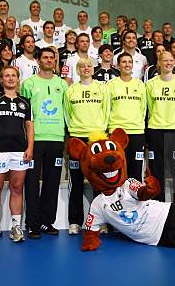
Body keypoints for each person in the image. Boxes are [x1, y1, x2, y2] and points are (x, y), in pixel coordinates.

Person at [0, 66, 34, 244]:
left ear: (18, 79)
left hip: (19, 150)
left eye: (13, 76)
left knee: (17, 188)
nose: (10, 79)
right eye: (7, 76)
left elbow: (29, 126)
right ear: (1, 80)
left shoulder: (26, 101)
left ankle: (16, 226)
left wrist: (30, 148)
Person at [21, 48, 69, 239]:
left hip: (56, 139)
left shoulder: (62, 84)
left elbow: (67, 111)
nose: (49, 60)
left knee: (52, 182)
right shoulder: (29, 84)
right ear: (38, 60)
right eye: (45, 57)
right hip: (35, 140)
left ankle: (47, 221)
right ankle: (32, 223)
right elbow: (24, 114)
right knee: (31, 183)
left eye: (52, 58)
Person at [64, 58, 110, 234]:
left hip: (96, 138)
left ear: (93, 69)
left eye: (89, 66)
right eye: (82, 66)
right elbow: (68, 115)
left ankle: (101, 222)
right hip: (77, 138)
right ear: (77, 70)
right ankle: (75, 221)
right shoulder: (71, 91)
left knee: (99, 182)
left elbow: (106, 112)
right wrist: (73, 132)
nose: (86, 69)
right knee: (75, 182)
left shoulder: (102, 88)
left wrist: (100, 133)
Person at [146, 51, 175, 204]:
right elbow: (150, 108)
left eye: (171, 60)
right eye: (165, 60)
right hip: (155, 130)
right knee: (156, 171)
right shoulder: (151, 84)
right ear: (159, 62)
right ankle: (157, 206)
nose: (169, 63)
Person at [107, 53, 147, 182]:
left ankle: (136, 201)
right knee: (118, 169)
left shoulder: (140, 84)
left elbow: (143, 108)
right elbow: (107, 109)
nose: (127, 64)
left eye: (129, 62)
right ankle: (118, 201)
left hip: (137, 132)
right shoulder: (110, 84)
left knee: (136, 171)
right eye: (124, 62)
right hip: (117, 133)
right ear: (118, 65)